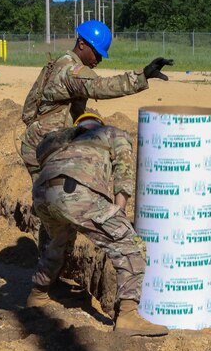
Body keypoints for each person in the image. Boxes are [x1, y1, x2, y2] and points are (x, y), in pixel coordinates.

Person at [21, 20, 172, 296]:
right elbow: (101, 87)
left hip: (43, 144)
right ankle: (47, 281)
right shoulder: (71, 70)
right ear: (82, 45)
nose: (99, 59)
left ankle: (46, 283)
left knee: (55, 216)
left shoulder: (60, 65)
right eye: (98, 53)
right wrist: (142, 76)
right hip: (47, 149)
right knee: (59, 213)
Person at [29, 111, 168, 337]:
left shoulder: (57, 139)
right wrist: (119, 206)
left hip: (42, 194)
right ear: (99, 124)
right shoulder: (111, 133)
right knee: (128, 243)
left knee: (58, 242)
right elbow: (124, 167)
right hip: (76, 191)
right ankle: (128, 315)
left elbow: (36, 157)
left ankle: (37, 294)